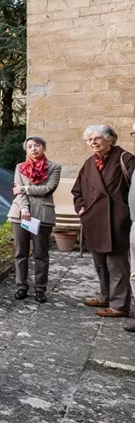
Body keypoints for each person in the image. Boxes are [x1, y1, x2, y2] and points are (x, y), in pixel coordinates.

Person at [72, 125, 135, 318]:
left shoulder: (126, 159)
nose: (93, 143)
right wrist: (81, 208)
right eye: (89, 140)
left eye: (97, 138)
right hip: (93, 220)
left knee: (116, 264)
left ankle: (119, 305)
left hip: (116, 219)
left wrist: (126, 214)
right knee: (100, 262)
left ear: (110, 139)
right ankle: (105, 295)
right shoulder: (89, 163)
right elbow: (77, 191)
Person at [8, 136, 61, 304]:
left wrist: (24, 188)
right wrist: (24, 208)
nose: (33, 149)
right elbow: (18, 192)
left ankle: (40, 288)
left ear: (43, 148)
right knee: (20, 252)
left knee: (40, 254)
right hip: (20, 214)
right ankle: (21, 285)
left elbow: (47, 188)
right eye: (29, 146)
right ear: (26, 150)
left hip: (42, 215)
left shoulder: (54, 168)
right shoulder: (20, 167)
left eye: (37, 145)